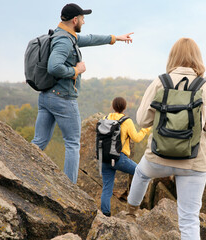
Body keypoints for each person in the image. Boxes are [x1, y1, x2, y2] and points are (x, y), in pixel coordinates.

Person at [127, 38, 206, 240]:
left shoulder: (160, 82)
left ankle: (130, 211)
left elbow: (142, 120)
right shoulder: (205, 87)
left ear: (173, 57)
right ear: (197, 58)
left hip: (157, 158)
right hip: (193, 161)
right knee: (189, 220)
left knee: (141, 172)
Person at [31, 3, 134, 184]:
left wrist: (115, 38)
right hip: (62, 98)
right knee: (72, 144)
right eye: (83, 19)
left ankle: (21, 171)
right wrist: (76, 70)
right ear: (75, 20)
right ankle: (70, 189)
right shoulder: (64, 40)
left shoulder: (62, 34)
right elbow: (54, 67)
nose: (84, 22)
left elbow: (90, 39)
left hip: (46, 97)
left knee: (38, 141)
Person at [100, 97, 150, 217]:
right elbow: (136, 138)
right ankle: (133, 206)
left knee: (107, 187)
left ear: (113, 106)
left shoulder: (105, 118)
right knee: (141, 172)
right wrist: (146, 129)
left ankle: (105, 214)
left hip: (105, 158)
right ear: (124, 107)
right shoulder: (126, 121)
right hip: (119, 158)